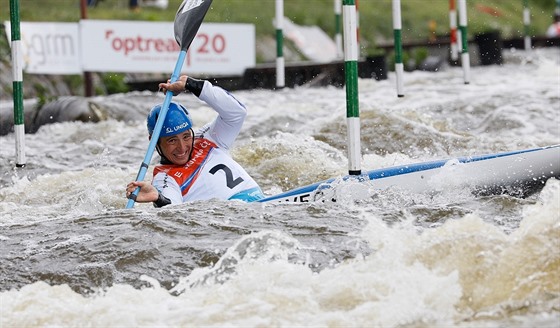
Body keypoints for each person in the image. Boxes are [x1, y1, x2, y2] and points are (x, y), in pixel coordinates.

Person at [126, 75, 264, 207]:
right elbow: (173, 209)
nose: (182, 147)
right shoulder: (164, 178)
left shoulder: (209, 138)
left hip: (264, 202)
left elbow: (236, 112)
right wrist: (158, 198)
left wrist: (191, 84)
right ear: (153, 141)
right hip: (236, 216)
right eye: (172, 140)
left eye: (186, 137)